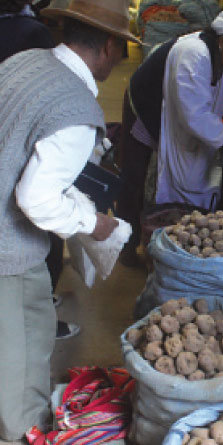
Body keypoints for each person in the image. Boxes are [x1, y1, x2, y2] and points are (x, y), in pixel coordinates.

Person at [0, 0, 139, 440]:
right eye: (123, 50)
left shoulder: (26, 61)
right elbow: (36, 198)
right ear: (111, 47)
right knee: (20, 364)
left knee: (22, 334)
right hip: (8, 252)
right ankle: (23, 432)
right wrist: (94, 222)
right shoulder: (76, 108)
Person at [116, 5, 223, 265]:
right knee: (136, 173)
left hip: (180, 111)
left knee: (188, 164)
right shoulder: (193, 54)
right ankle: (126, 244)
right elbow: (195, 115)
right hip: (148, 104)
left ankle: (173, 236)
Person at [0, 0, 81, 340]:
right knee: (37, 238)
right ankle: (41, 317)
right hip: (24, 149)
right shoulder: (32, 34)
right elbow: (36, 198)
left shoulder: (26, 33)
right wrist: (91, 222)